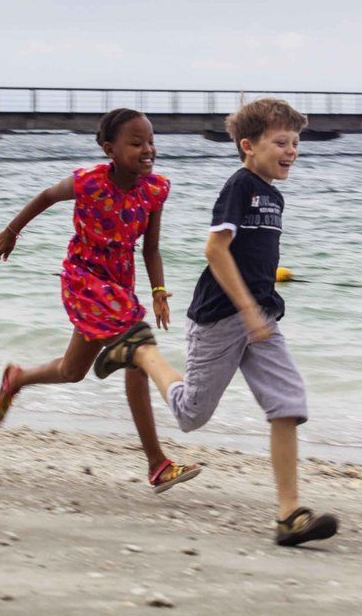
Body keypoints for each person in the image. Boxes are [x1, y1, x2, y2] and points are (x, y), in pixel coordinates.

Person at [94, 98, 338, 546]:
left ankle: (289, 514)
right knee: (191, 416)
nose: (292, 151)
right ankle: (142, 351)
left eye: (296, 143)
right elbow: (215, 250)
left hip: (261, 315)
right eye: (280, 142)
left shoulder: (274, 193)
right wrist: (245, 308)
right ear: (248, 146)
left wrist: (257, 309)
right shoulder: (240, 186)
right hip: (222, 316)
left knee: (288, 403)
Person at [0, 108, 201, 493]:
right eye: (136, 143)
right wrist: (11, 231)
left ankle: (18, 379)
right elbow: (47, 196)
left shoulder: (154, 190)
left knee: (72, 371)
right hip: (84, 281)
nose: (147, 149)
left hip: (120, 287)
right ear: (110, 149)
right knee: (138, 351)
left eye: (151, 141)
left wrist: (159, 293)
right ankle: (157, 463)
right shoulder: (88, 182)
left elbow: (151, 250)